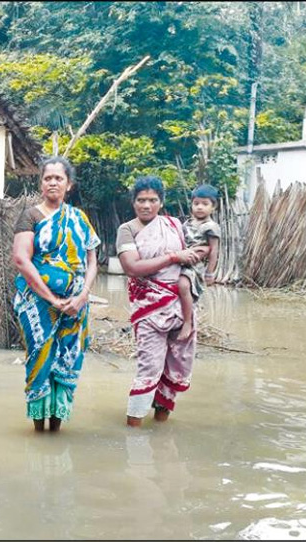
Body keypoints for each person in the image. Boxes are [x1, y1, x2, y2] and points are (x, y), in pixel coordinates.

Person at [12, 156, 101, 432]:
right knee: (40, 360)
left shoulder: (78, 218)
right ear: (41, 184)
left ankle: (57, 428)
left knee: (67, 360)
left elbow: (92, 260)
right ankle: (39, 430)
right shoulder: (31, 216)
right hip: (37, 304)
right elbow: (21, 260)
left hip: (76, 305)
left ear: (68, 184)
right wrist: (52, 299)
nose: (53, 182)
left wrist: (83, 296)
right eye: (47, 178)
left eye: (58, 178)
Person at [115, 176, 209, 427]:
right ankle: (133, 435)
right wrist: (172, 257)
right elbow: (132, 267)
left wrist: (197, 255)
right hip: (149, 309)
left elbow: (199, 247)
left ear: (161, 203)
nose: (147, 205)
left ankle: (160, 428)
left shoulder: (173, 224)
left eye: (152, 200)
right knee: (149, 369)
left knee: (176, 367)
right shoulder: (127, 230)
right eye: (141, 200)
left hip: (181, 306)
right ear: (133, 202)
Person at [176, 184, 221, 341]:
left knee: (183, 285)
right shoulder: (186, 224)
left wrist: (210, 272)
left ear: (213, 207)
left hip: (195, 266)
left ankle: (187, 323)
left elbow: (214, 250)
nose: (200, 207)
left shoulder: (211, 227)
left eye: (205, 204)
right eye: (196, 204)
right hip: (179, 261)